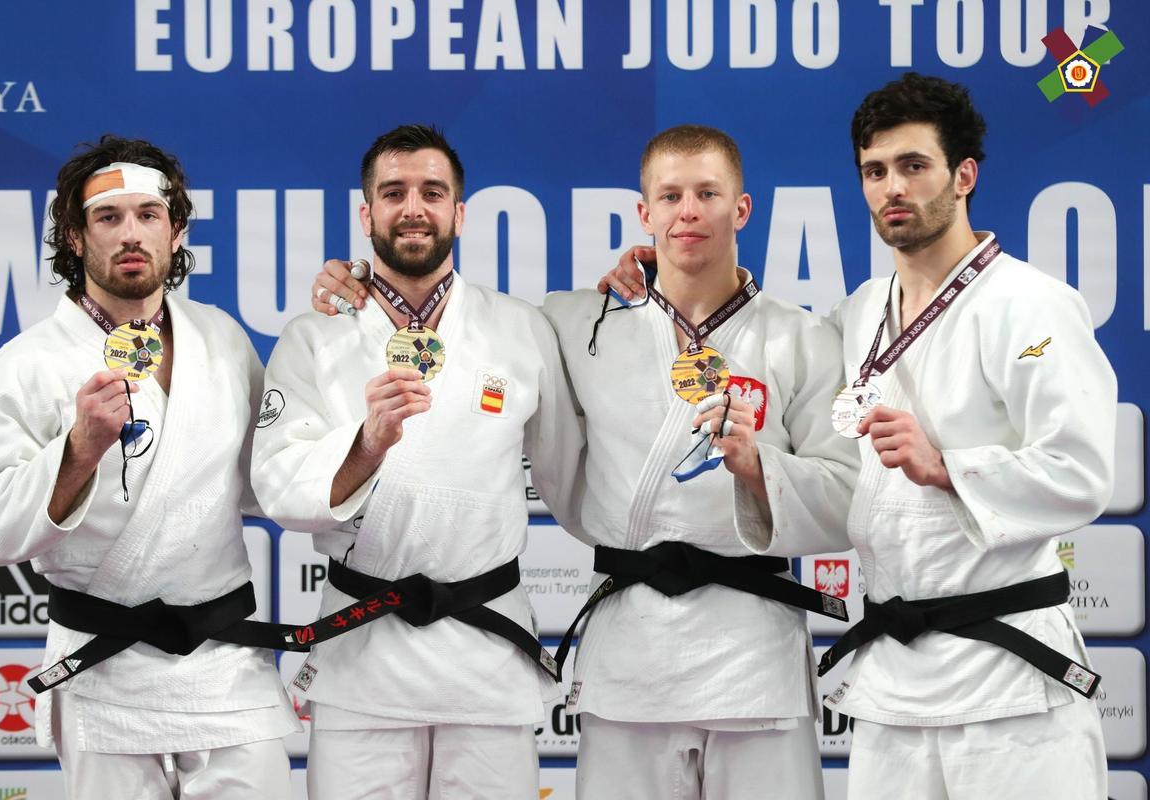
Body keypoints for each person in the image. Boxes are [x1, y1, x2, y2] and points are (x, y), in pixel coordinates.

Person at [314, 124, 857, 799]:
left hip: (755, 651)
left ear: (741, 209)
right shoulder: (572, 322)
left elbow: (846, 498)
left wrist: (756, 468)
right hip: (632, 653)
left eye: (708, 194)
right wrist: (357, 281)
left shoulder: (803, 337)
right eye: (671, 195)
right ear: (644, 213)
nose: (688, 211)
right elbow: (447, 326)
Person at [0, 136, 298, 799]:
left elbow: (274, 481)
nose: (131, 233)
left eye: (149, 214)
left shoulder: (222, 340)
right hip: (104, 668)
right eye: (108, 218)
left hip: (222, 662)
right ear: (75, 237)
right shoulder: (27, 364)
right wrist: (79, 449)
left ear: (176, 230)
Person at [253, 124, 584, 800]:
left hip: (485, 652)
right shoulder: (313, 337)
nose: (413, 208)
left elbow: (571, 475)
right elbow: (281, 484)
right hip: (363, 653)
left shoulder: (521, 330)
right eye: (393, 192)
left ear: (459, 213)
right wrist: (365, 447)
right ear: (365, 212)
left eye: (432, 193)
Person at [819, 72, 1113, 799]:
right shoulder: (857, 313)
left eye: (914, 166)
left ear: (963, 174)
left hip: (1009, 678)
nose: (894, 188)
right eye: (876, 171)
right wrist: (650, 288)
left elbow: (1080, 471)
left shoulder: (1032, 303)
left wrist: (946, 464)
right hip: (893, 676)